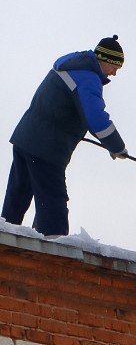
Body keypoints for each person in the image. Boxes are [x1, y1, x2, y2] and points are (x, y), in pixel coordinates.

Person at [1, 35, 128, 237]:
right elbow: (96, 119)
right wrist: (117, 147)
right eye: (115, 67)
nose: (114, 73)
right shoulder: (88, 77)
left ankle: (4, 245)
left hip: (26, 139)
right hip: (46, 148)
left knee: (16, 200)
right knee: (53, 204)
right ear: (104, 60)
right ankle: (54, 257)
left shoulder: (71, 66)